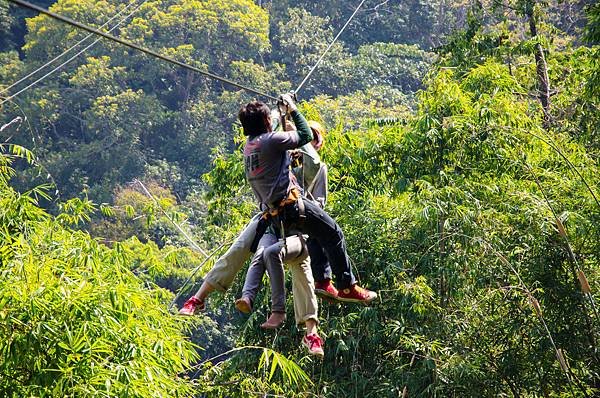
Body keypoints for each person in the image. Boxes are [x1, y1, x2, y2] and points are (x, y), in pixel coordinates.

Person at [240, 94, 376, 306]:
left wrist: (281, 115)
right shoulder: (271, 141)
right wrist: (293, 108)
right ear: (266, 122)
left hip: (277, 214)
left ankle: (322, 281)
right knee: (333, 232)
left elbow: (280, 147)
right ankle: (347, 286)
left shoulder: (250, 147)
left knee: (319, 233)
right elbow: (303, 135)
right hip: (292, 206)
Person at [235, 118, 335, 329]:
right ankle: (246, 297)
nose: (312, 141)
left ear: (318, 143)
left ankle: (305, 325)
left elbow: (319, 203)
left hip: (302, 229)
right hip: (276, 222)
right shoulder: (286, 159)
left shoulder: (319, 168)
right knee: (260, 253)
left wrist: (302, 205)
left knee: (294, 266)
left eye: (315, 137)